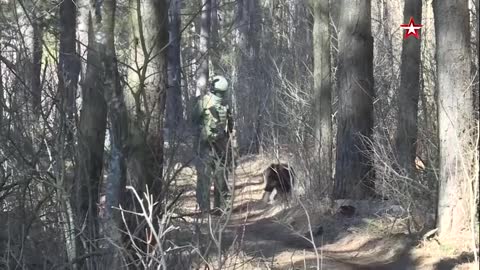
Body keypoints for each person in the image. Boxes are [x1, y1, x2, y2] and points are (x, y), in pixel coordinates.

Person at [193, 75, 234, 213]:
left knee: (219, 177)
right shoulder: (204, 103)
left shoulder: (222, 104)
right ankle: (209, 209)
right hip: (207, 146)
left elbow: (229, 126)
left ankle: (218, 208)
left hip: (219, 147)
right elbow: (193, 123)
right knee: (209, 178)